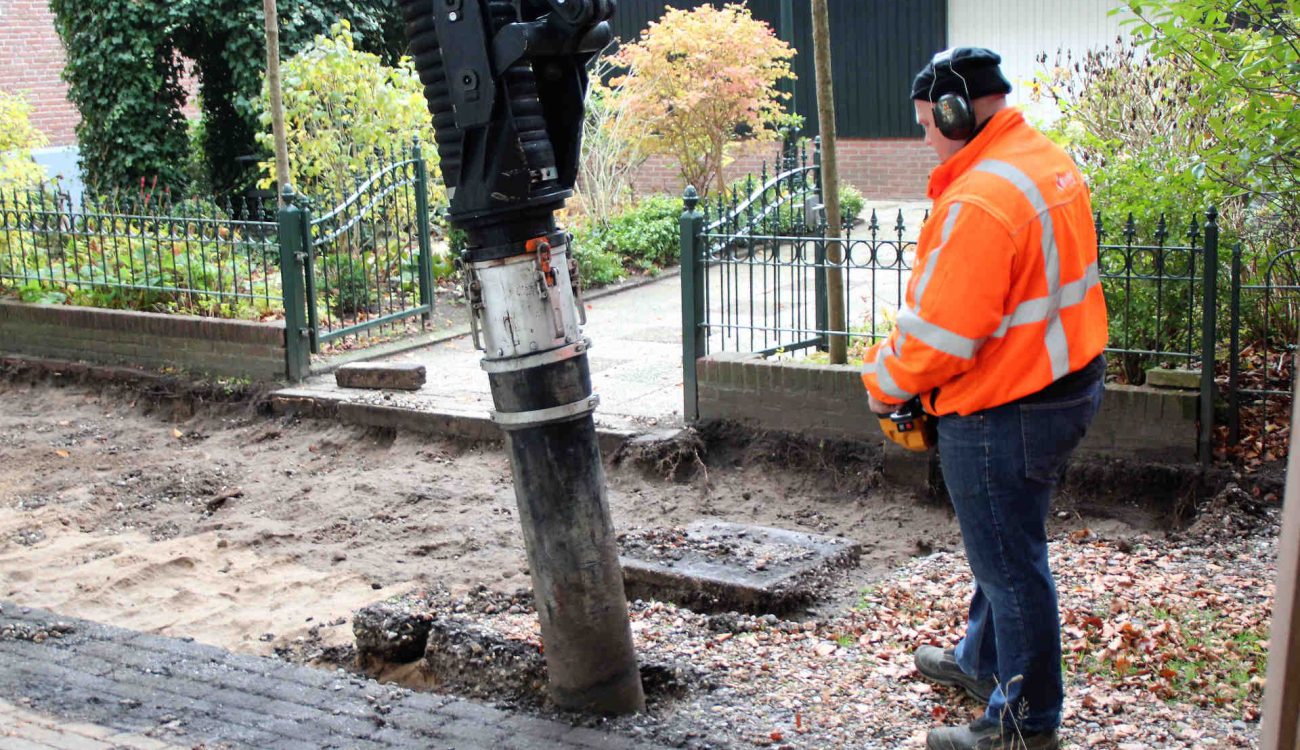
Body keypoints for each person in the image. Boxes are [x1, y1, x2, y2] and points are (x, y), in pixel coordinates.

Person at [860, 47, 1109, 750]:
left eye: (926, 126)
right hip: (1062, 385)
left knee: (1009, 562)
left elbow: (939, 337)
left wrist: (882, 387)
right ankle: (980, 662)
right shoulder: (1042, 161)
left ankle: (1025, 723)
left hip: (1006, 407)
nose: (926, 140)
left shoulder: (980, 201)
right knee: (1006, 541)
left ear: (955, 111)